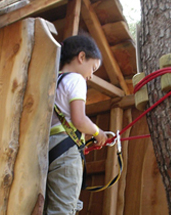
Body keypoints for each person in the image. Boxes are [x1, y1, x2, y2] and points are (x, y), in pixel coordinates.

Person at [45, 35, 116, 214]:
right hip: (66, 153)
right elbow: (79, 120)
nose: (91, 75)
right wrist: (98, 132)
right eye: (93, 68)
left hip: (47, 148)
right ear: (81, 57)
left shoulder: (53, 81)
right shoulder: (76, 80)